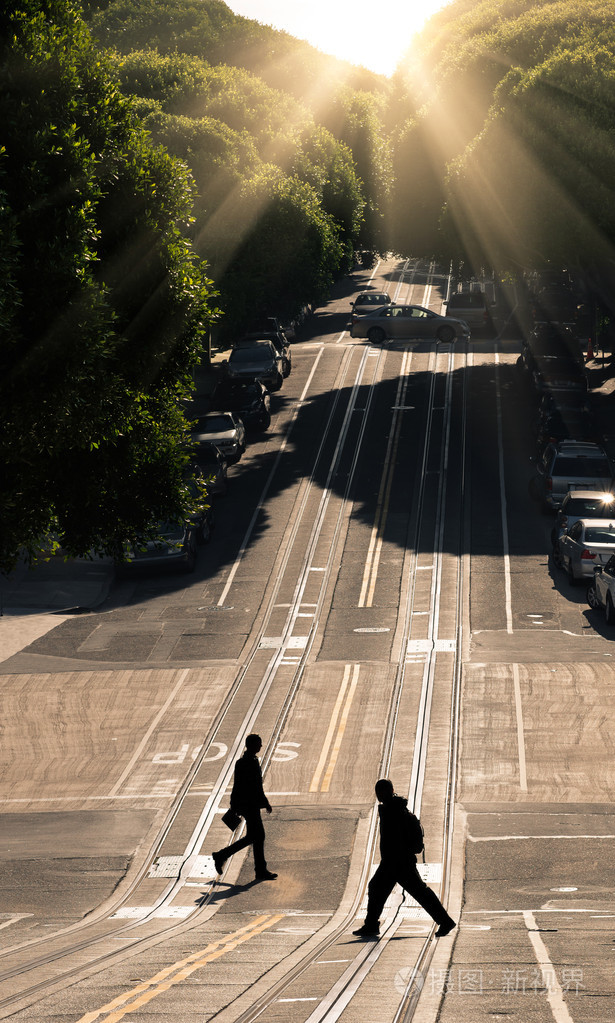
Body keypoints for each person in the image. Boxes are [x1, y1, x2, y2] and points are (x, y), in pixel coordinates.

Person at [353, 778, 455, 938]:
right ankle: (371, 924)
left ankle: (445, 921)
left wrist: (397, 854)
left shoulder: (394, 811)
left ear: (390, 791)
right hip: (394, 862)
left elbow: (397, 840)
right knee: (382, 888)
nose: (379, 795)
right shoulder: (391, 809)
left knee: (417, 892)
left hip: (398, 863)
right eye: (378, 792)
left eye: (382, 791)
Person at [212, 734, 277, 881]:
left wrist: (235, 804)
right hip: (249, 805)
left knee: (255, 836)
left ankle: (224, 856)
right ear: (251, 745)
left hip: (248, 805)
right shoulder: (248, 762)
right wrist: (265, 802)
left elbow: (240, 785)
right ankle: (223, 856)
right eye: (258, 744)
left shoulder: (245, 761)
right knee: (258, 836)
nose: (261, 746)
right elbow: (255, 786)